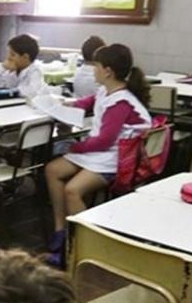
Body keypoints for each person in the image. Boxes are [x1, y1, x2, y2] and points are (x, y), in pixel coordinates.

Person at [45, 44, 152, 266]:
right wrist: (62, 105)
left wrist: (75, 148)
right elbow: (87, 103)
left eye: (96, 66)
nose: (93, 70)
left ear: (108, 71)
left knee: (72, 190)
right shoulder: (107, 90)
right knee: (52, 170)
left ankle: (86, 246)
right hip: (100, 153)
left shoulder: (121, 102)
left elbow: (105, 140)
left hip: (117, 159)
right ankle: (60, 230)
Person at [0, 34, 46, 98]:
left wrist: (11, 91)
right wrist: (2, 68)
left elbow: (32, 91)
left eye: (13, 55)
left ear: (25, 57)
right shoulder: (10, 71)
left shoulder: (35, 71)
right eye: (8, 53)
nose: (8, 57)